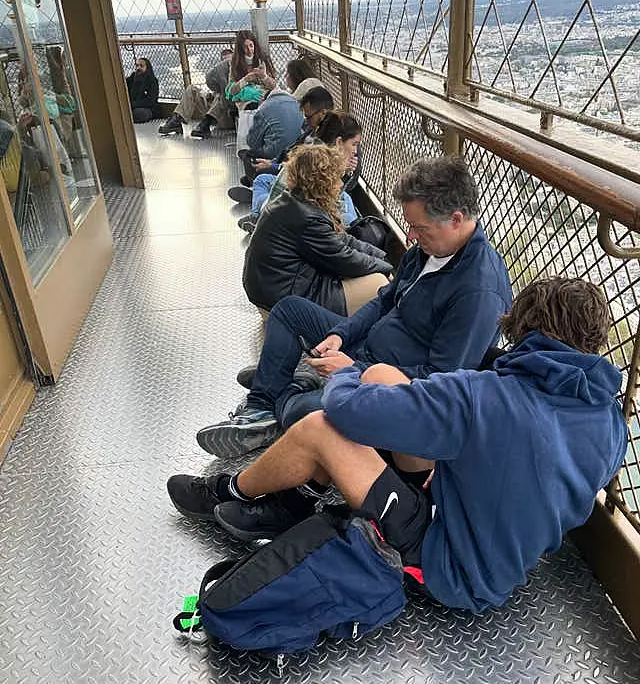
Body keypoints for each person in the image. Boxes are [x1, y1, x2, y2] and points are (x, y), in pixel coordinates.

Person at [170, 277, 627, 614]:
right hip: (501, 551)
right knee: (384, 377)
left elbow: (347, 412)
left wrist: (346, 371)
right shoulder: (608, 419)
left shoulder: (484, 395)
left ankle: (228, 492)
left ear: (523, 327)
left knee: (322, 427)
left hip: (448, 566)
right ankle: (297, 492)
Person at [168, 155, 511, 485]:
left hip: (386, 382)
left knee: (303, 415)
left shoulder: (478, 292)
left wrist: (352, 372)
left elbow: (438, 384)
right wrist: (340, 335)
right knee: (289, 309)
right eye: (409, 226)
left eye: (418, 227)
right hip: (367, 349)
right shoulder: (430, 249)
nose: (410, 236)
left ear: (455, 218)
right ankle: (263, 405)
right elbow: (383, 301)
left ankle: (284, 392)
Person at [242, 143, 392, 316]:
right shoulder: (307, 217)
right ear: (322, 183)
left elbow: (342, 241)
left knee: (371, 274)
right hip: (283, 300)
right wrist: (387, 268)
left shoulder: (295, 202)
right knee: (380, 285)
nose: (340, 184)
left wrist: (380, 257)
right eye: (336, 179)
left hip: (274, 289)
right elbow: (344, 259)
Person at [237, 110, 361, 233]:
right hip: (293, 222)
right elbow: (326, 204)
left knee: (262, 181)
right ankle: (356, 229)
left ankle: (257, 214)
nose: (355, 150)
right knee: (347, 210)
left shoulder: (313, 149)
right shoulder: (320, 162)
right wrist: (342, 173)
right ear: (339, 142)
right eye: (354, 144)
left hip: (279, 211)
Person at [231, 85, 334, 209]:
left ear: (322, 113)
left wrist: (274, 166)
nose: (306, 121)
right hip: (289, 168)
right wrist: (273, 162)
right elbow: (292, 149)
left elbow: (305, 168)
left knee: (258, 173)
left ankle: (259, 202)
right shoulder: (311, 129)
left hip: (298, 178)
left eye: (308, 117)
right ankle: (262, 198)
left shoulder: (328, 137)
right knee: (261, 175)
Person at [158, 48, 233, 137]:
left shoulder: (236, 76)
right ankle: (176, 121)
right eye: (223, 61)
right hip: (214, 113)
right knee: (192, 89)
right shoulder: (218, 75)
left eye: (228, 61)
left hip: (227, 115)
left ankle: (205, 125)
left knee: (222, 95)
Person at [225, 30, 276, 110]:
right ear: (240, 49)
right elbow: (231, 90)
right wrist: (245, 80)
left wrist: (264, 77)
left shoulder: (263, 59)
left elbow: (273, 86)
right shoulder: (235, 63)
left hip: (264, 96)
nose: (249, 50)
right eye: (245, 47)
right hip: (246, 101)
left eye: (251, 45)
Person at [126, 57, 160, 124]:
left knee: (140, 113)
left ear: (147, 68)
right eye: (137, 65)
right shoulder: (132, 78)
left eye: (141, 66)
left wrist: (133, 105)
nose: (138, 68)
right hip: (132, 107)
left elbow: (150, 101)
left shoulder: (152, 81)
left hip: (147, 108)